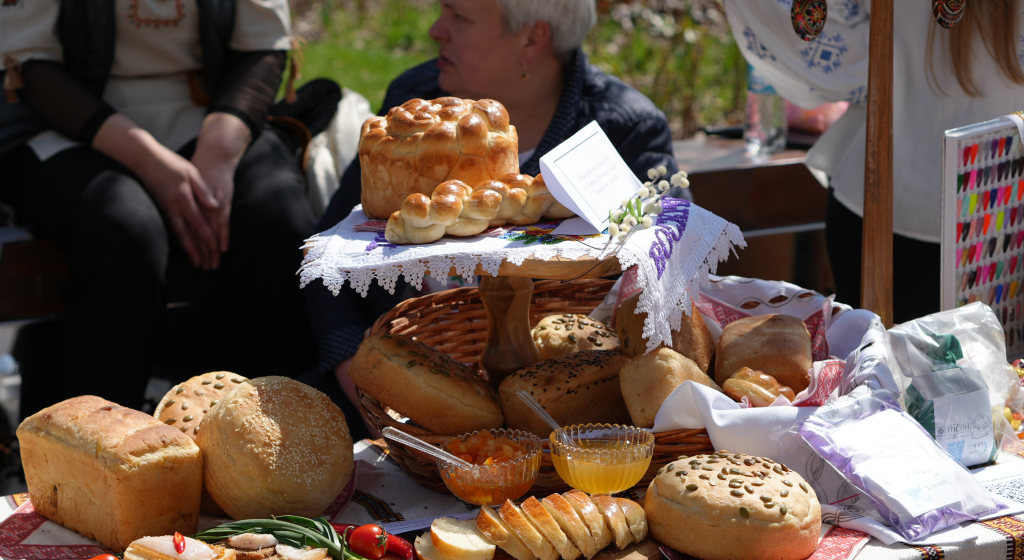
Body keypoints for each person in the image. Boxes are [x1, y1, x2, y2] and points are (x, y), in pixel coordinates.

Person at [304, 0, 688, 438]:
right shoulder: (412, 111)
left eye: (459, 16)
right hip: (399, 393)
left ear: (532, 39)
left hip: (569, 418)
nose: (435, 30)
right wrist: (366, 386)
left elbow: (666, 273)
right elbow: (330, 260)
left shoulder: (624, 128)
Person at [0, 0, 318, 415]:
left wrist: (220, 150)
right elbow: (29, 63)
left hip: (211, 115)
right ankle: (102, 441)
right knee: (122, 231)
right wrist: (149, 162)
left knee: (277, 221)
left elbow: (264, 45)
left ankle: (293, 428)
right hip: (65, 123)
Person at [723, 0, 1024, 322]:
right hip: (993, 205)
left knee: (875, 350)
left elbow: (817, 39)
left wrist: (893, 68)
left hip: (888, 192)